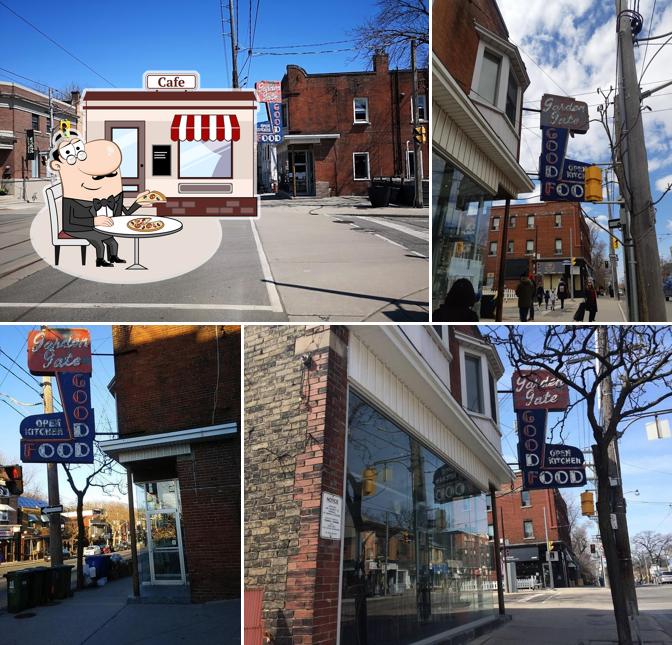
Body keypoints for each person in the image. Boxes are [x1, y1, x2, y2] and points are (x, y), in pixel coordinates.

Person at [48, 127, 152, 267]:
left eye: (110, 174)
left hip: (96, 225)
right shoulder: (72, 200)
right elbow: (69, 222)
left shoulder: (111, 196)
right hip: (76, 228)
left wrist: (138, 203)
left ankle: (113, 257)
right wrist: (94, 221)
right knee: (98, 241)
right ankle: (100, 260)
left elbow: (125, 212)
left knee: (112, 241)